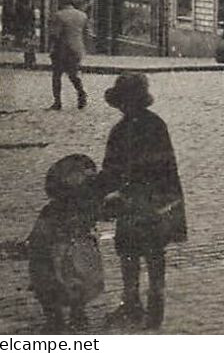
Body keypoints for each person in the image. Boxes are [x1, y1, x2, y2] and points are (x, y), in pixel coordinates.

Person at [95, 74, 186, 331]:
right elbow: (114, 167)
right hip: (147, 200)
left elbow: (118, 170)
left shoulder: (136, 129)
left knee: (141, 252)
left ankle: (143, 304)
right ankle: (143, 304)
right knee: (141, 251)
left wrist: (102, 188)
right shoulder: (143, 126)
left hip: (144, 201)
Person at [26, 154, 103, 331]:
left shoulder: (50, 211)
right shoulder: (87, 209)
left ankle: (56, 320)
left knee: (47, 280)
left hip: (57, 256)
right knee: (77, 282)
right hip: (80, 257)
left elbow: (39, 237)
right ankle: (78, 314)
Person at [46, 0, 89, 110]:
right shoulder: (82, 15)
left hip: (62, 49)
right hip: (77, 49)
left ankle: (57, 102)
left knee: (56, 76)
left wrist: (51, 47)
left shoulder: (58, 15)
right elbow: (86, 34)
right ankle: (81, 94)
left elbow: (55, 34)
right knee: (73, 74)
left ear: (62, 1)